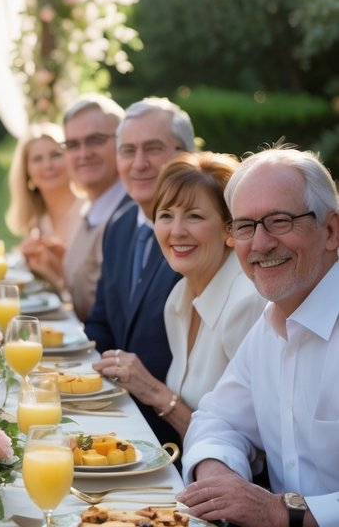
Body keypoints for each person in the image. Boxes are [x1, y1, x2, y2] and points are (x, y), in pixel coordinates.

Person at [180, 147, 339, 527]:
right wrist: (219, 476)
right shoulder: (277, 317)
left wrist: (282, 512)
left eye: (280, 221)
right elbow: (218, 418)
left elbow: (279, 511)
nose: (260, 243)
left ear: (331, 230)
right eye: (245, 226)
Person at [92, 151, 265, 437]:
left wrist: (154, 392)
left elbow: (249, 449)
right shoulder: (178, 299)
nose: (176, 231)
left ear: (229, 228)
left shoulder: (246, 304)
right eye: (166, 216)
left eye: (194, 216)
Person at [85, 97, 195, 442]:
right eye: (127, 151)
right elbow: (101, 321)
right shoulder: (118, 226)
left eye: (153, 149)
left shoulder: (198, 238)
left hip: (179, 433)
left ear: (184, 154)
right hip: (117, 419)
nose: (139, 163)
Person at [22, 96, 127, 319]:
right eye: (72, 144)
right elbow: (89, 301)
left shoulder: (131, 215)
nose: (83, 153)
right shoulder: (93, 212)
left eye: (95, 140)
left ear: (122, 142)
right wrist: (61, 270)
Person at [5, 123, 84, 259]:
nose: (48, 165)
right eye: (37, 159)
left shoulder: (88, 213)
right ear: (26, 171)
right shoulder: (36, 222)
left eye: (56, 155)